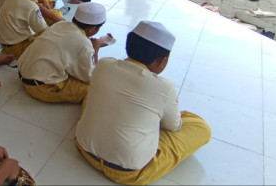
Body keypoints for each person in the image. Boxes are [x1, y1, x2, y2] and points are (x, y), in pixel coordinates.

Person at [75, 21, 211, 184]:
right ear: (162, 60)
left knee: (96, 95)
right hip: (128, 172)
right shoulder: (164, 87)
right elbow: (173, 126)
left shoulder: (104, 64)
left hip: (83, 147)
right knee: (199, 126)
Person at [16, 3, 110, 103]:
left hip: (24, 73)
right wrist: (96, 48)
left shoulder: (61, 24)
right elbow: (90, 77)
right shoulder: (84, 44)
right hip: (40, 87)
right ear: (92, 29)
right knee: (95, 89)